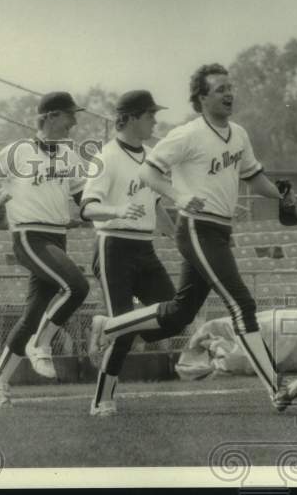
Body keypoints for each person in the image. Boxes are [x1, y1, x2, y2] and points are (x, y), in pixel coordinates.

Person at [89, 64, 297, 412]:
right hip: (195, 228)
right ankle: (276, 388)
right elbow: (148, 172)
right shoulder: (187, 134)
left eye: (230, 87)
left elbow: (254, 177)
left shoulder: (238, 133)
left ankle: (110, 324)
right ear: (201, 97)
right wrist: (177, 197)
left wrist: (279, 195)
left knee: (180, 313)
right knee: (242, 304)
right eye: (220, 88)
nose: (229, 93)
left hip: (220, 231)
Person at [0, 91, 91, 406]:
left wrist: (107, 212)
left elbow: (85, 199)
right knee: (77, 287)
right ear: (51, 116)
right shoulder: (18, 150)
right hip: (29, 236)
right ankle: (41, 345)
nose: (75, 122)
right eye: (70, 115)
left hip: (56, 237)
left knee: (32, 316)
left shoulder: (70, 155)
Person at [78, 90, 177, 416]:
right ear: (132, 117)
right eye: (150, 115)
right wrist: (119, 209)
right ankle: (102, 400)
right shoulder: (106, 157)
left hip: (144, 247)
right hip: (113, 247)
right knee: (123, 327)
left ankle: (106, 325)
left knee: (175, 316)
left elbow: (157, 204)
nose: (154, 121)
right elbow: (87, 208)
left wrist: (177, 237)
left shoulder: (152, 158)